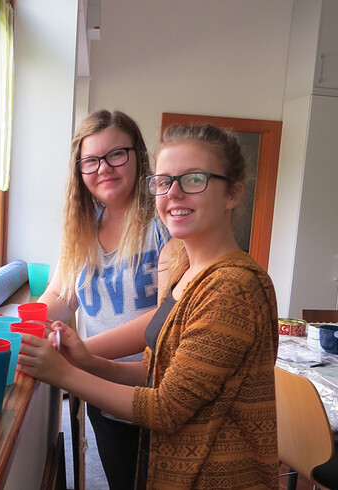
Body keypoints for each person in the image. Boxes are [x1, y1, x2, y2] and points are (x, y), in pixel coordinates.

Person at [20, 123, 279, 489]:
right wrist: (88, 361)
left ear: (232, 194)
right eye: (165, 182)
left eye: (193, 180)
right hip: (170, 459)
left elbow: (166, 407)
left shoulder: (231, 288)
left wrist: (65, 373)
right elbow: (158, 368)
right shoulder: (186, 274)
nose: (174, 194)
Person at [38, 109, 171, 489]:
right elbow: (60, 298)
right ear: (79, 170)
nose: (104, 168)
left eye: (116, 154)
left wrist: (83, 352)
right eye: (91, 160)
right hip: (104, 395)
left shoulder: (162, 223)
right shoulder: (81, 225)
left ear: (137, 156)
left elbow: (165, 319)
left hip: (156, 390)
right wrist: (20, 325)